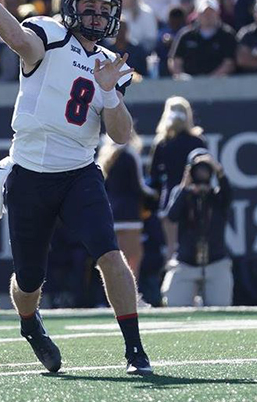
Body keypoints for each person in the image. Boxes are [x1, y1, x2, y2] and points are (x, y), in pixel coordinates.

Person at [0, 0, 151, 372]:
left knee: (109, 252)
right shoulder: (48, 35)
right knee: (28, 279)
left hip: (79, 172)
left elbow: (121, 135)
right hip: (28, 174)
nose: (98, 16)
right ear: (71, 6)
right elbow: (16, 38)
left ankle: (135, 349)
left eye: (105, 9)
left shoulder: (113, 65)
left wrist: (111, 92)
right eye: (90, 7)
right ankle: (30, 323)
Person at [162, 148, 232, 306]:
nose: (201, 172)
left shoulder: (217, 196)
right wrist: (184, 187)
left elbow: (228, 197)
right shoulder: (182, 193)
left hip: (216, 261)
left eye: (205, 168)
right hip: (185, 262)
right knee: (173, 305)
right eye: (197, 168)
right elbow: (172, 215)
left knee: (220, 309)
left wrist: (219, 170)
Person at [149, 97, 207, 260]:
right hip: (192, 197)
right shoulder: (196, 141)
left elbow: (153, 176)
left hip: (171, 198)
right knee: (194, 244)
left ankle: (171, 282)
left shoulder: (162, 143)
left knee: (172, 247)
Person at [98, 131, 157, 280]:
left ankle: (112, 297)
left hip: (111, 215)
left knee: (115, 258)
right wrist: (155, 195)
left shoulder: (105, 157)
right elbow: (140, 186)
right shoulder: (131, 154)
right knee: (133, 257)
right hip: (130, 215)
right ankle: (133, 296)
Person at [169, 0, 236, 77]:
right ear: (197, 14)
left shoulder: (227, 35)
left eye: (211, 12)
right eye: (204, 13)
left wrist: (211, 80)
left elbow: (229, 63)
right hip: (188, 86)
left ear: (218, 12)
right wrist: (181, 76)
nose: (208, 16)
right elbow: (175, 61)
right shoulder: (186, 35)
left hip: (219, 85)